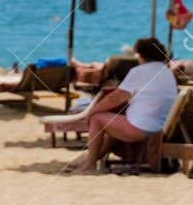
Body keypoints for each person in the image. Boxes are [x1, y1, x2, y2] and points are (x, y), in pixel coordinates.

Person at [54, 38, 178, 174]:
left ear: (141, 55)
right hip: (159, 127)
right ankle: (90, 159)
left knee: (97, 118)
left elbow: (117, 97)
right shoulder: (167, 72)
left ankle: (89, 164)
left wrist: (92, 110)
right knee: (113, 125)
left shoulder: (139, 71)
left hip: (141, 128)